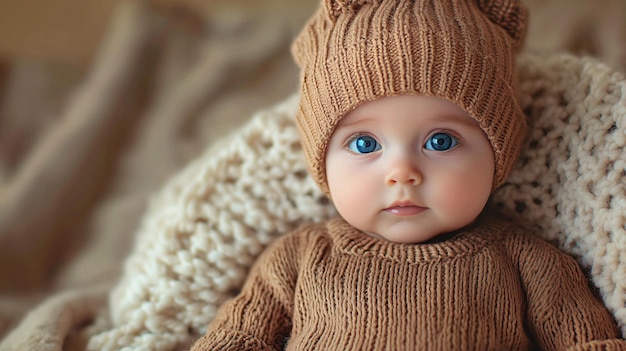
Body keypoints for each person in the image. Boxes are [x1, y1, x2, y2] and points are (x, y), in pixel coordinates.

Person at [190, 0, 626, 349]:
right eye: (364, 145)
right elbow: (239, 336)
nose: (403, 173)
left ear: (499, 155)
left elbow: (587, 340)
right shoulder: (299, 259)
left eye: (441, 141)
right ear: (321, 161)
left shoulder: (526, 263)